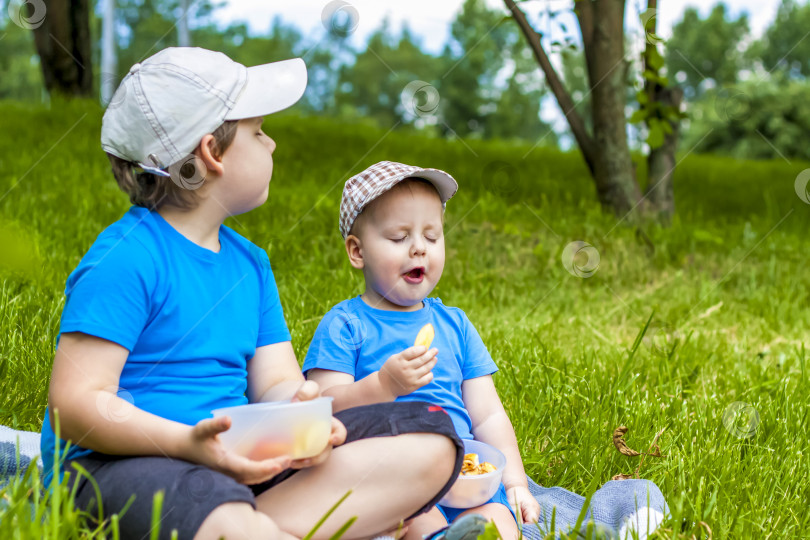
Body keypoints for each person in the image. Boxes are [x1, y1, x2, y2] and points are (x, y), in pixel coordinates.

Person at [40, 48, 463, 540]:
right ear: (212, 154)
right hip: (116, 469)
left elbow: (277, 385)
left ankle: (257, 528)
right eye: (259, 131)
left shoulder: (250, 265)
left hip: (237, 464)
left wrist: (301, 416)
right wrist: (187, 445)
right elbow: (74, 405)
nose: (273, 143)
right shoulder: (128, 257)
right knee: (213, 504)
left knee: (431, 437)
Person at [304, 161, 542, 539]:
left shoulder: (456, 325)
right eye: (399, 238)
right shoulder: (346, 324)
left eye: (432, 237)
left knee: (499, 523)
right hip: (395, 477)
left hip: (466, 475)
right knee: (418, 520)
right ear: (357, 251)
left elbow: (488, 416)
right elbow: (322, 411)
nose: (419, 249)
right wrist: (382, 386)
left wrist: (515, 482)